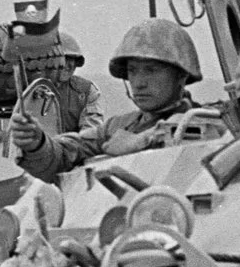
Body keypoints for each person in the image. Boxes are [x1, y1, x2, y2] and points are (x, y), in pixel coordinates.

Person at [11, 19, 204, 182]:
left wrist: (146, 139)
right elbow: (67, 151)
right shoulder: (117, 127)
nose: (139, 83)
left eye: (151, 70)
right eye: (132, 71)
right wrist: (38, 143)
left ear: (181, 75)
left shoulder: (207, 123)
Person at [54, 31, 105, 133]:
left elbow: (90, 134)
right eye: (63, 58)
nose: (69, 65)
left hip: (72, 143)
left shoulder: (86, 91)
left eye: (73, 60)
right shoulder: (31, 88)